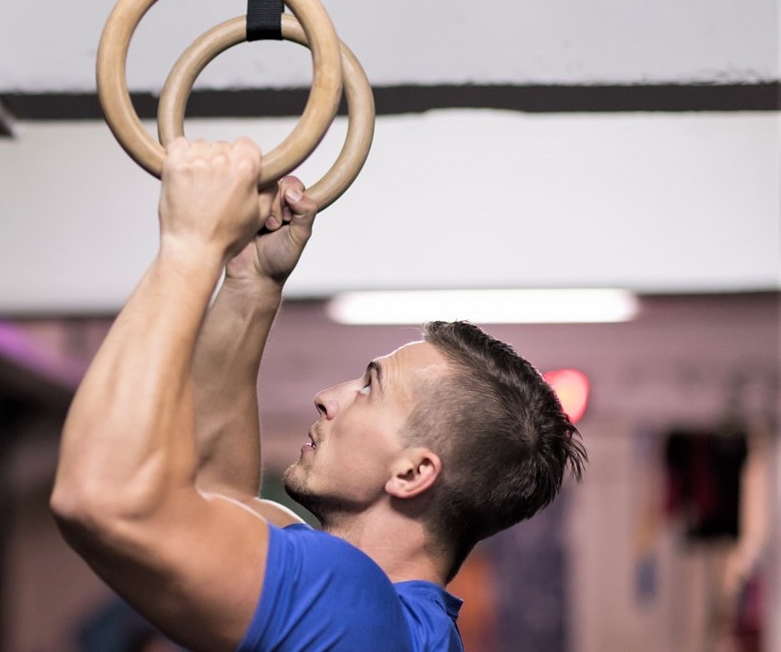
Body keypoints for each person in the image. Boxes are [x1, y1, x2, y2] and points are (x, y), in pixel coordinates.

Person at [50, 138, 587, 652]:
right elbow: (220, 498)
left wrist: (190, 243)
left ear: (411, 473)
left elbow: (101, 497)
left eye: (368, 389)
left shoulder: (351, 603)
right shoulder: (397, 621)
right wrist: (251, 281)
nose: (329, 396)